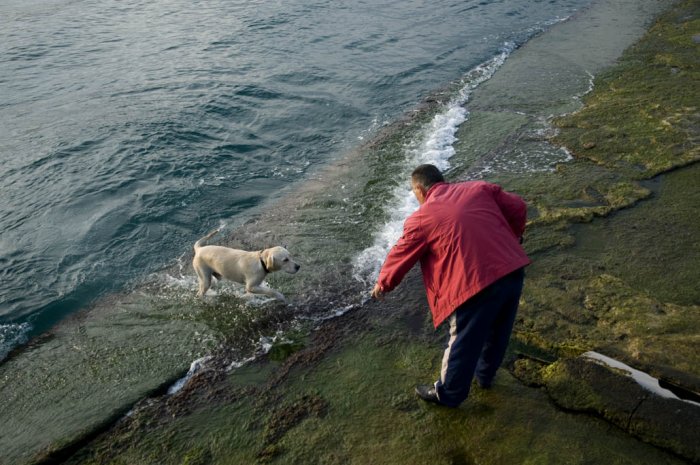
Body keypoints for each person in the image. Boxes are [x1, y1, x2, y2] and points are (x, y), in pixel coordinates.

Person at [371, 164, 530, 407]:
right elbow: (518, 206)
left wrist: (384, 283)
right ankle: (485, 376)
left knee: (462, 341)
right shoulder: (478, 188)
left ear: (420, 190)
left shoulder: (422, 218)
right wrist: (514, 237)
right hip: (512, 270)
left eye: (414, 193)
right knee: (499, 329)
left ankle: (449, 394)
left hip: (474, 284)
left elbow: (401, 253)